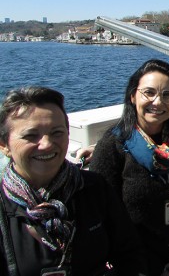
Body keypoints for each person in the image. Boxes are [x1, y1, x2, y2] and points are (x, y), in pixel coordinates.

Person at [90, 60, 169, 276]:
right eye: (149, 93)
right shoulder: (114, 146)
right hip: (134, 259)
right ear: (133, 96)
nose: (158, 102)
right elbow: (100, 215)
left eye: (168, 95)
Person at [0, 86, 146, 276]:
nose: (46, 144)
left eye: (57, 132)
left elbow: (131, 255)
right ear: (4, 145)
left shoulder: (94, 189)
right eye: (30, 135)